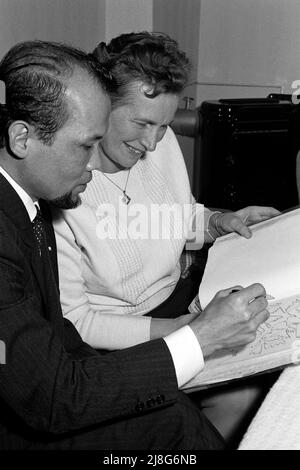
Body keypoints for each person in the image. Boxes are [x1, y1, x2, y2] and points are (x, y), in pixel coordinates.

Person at [0, 39, 270, 451]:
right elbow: (56, 383)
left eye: (163, 127)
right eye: (86, 145)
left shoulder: (32, 198)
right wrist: (193, 338)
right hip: (83, 369)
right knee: (188, 416)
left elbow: (175, 220)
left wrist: (217, 223)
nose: (153, 144)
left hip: (166, 312)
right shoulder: (46, 202)